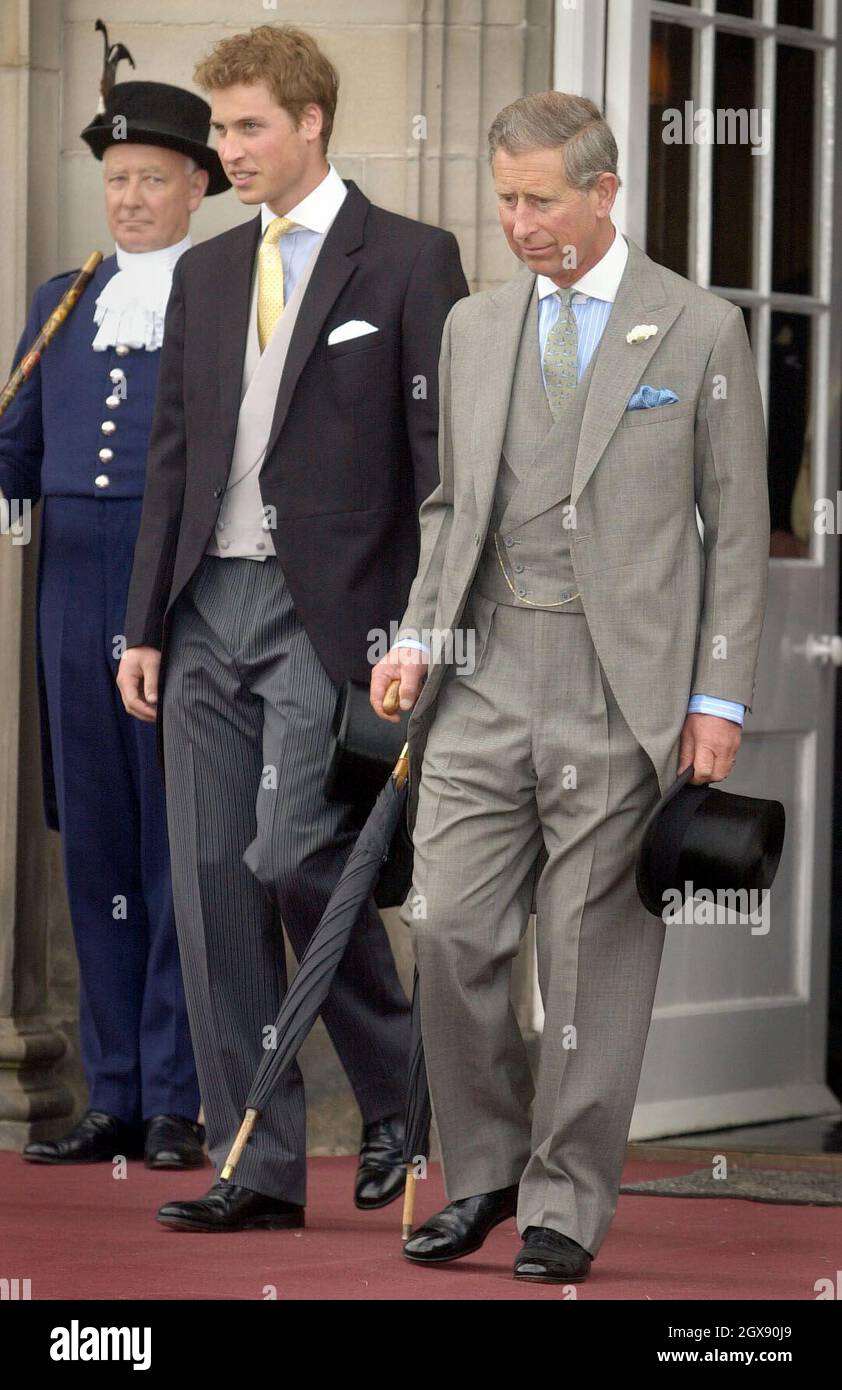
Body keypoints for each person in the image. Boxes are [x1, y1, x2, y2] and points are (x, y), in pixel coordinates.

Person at [371, 91, 769, 1283]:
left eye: (539, 198)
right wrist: (414, 639)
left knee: (589, 957)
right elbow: (450, 511)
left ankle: (564, 1203)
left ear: (604, 194)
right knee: (447, 929)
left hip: (621, 690)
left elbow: (737, 533)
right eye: (503, 199)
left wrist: (719, 698)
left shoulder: (697, 328)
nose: (518, 222)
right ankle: (484, 1172)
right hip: (480, 677)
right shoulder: (474, 325)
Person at [117, 24, 468, 1233]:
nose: (226, 150)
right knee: (213, 887)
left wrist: (421, 632)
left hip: (334, 614)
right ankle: (252, 1167)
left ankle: (394, 1086)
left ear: (310, 121)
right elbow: (172, 460)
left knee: (294, 854)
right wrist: (141, 625)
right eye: (218, 129)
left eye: (247, 125)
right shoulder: (208, 273)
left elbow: (443, 470)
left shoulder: (413, 260)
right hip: (201, 604)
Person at [0, 58, 230, 1167]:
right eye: (117, 178)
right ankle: (114, 1094)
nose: (130, 198)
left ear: (199, 185)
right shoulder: (65, 299)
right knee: (92, 844)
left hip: (177, 584)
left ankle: (180, 1098)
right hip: (68, 584)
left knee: (175, 845)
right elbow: (19, 448)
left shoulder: (229, 289)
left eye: (151, 178)